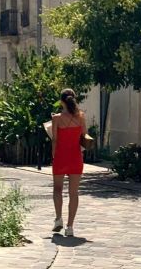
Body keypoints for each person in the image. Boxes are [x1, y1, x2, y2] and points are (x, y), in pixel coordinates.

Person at [51, 88, 85, 237]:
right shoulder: (81, 117)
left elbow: (55, 139)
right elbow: (84, 136)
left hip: (60, 156)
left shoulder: (56, 118)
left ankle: (58, 218)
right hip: (76, 156)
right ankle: (70, 227)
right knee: (74, 193)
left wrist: (53, 155)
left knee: (57, 189)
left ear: (61, 101)